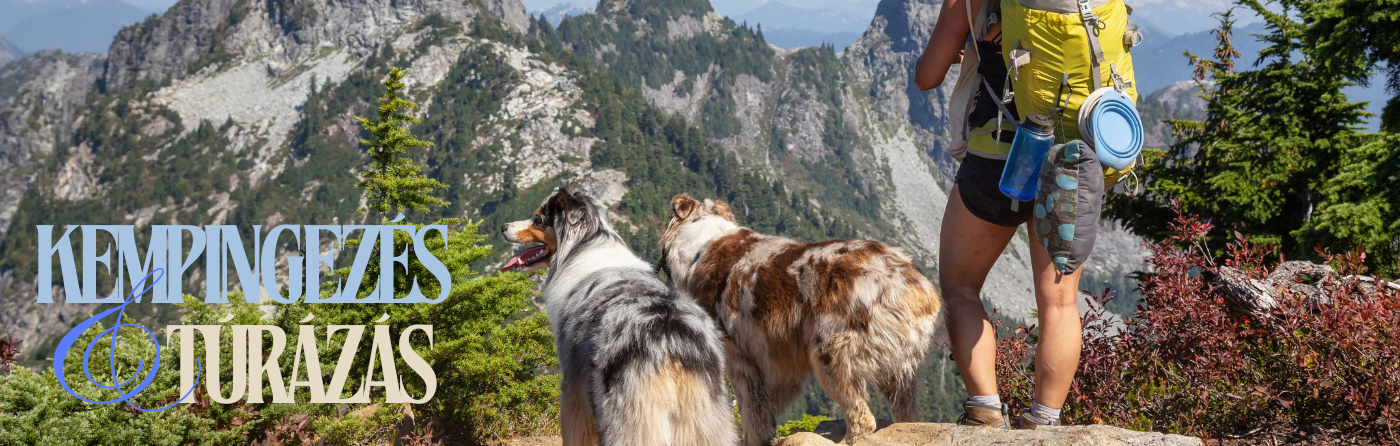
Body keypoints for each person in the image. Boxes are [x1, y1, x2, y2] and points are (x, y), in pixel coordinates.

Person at [913, 0, 1090, 429]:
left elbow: (926, 77)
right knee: (1060, 301)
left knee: (959, 287)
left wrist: (968, 44)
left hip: (996, 157)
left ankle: (986, 409)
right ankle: (1044, 423)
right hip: (1071, 158)